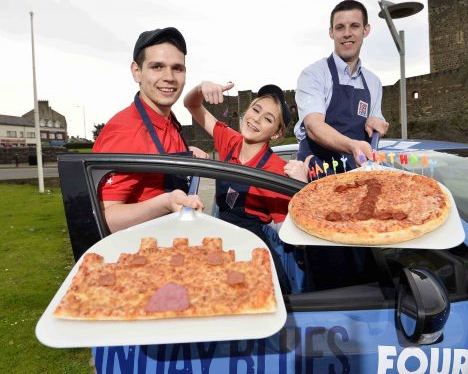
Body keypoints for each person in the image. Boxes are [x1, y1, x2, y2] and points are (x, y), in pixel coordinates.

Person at [184, 81, 308, 292]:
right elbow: (191, 105)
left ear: (277, 133)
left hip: (253, 251)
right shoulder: (229, 140)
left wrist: (302, 189)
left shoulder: (277, 170)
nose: (256, 119)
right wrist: (199, 89)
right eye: (256, 110)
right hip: (221, 241)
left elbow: (300, 240)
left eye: (268, 119)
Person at [94, 27, 206, 233]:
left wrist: (189, 153)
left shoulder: (167, 119)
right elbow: (104, 218)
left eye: (177, 68)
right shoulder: (126, 132)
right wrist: (165, 203)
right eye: (157, 67)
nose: (169, 77)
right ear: (137, 72)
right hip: (141, 254)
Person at [294, 0, 389, 176]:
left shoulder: (373, 82)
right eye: (339, 27)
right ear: (331, 33)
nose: (347, 33)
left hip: (355, 178)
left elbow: (375, 126)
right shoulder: (314, 74)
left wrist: (377, 123)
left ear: (365, 30)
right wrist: (352, 145)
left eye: (354, 26)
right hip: (314, 176)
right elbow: (314, 126)